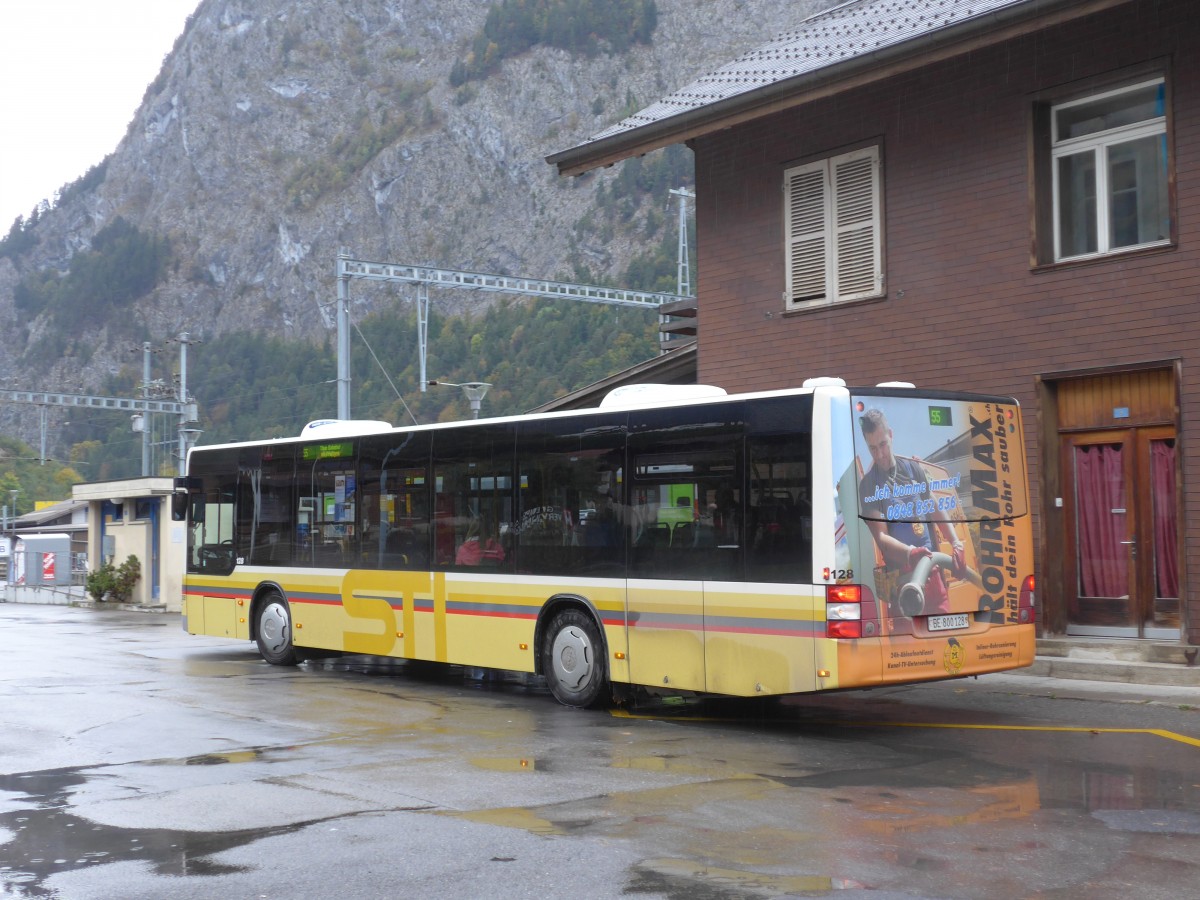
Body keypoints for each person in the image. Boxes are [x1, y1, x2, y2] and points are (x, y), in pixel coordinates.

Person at [858, 408, 965, 614]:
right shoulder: (869, 485)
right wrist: (910, 553)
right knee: (910, 647)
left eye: (883, 445)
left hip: (934, 579)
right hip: (904, 589)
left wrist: (957, 544)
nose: (879, 454)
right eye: (872, 449)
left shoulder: (913, 469)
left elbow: (934, 507)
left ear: (891, 435)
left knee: (947, 641)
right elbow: (881, 536)